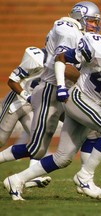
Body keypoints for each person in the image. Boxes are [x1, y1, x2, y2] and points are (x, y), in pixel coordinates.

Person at [3, 20, 101, 201]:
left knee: (62, 158)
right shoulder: (98, 45)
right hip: (78, 98)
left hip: (92, 102)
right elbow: (60, 58)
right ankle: (84, 177)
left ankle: (16, 179)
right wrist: (62, 87)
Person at [0, 0, 101, 178]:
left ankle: (86, 177)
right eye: (91, 20)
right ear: (80, 17)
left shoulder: (77, 35)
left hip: (56, 94)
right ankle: (22, 178)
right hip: (38, 95)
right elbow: (59, 62)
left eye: (96, 21)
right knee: (30, 147)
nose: (94, 25)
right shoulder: (66, 32)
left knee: (92, 129)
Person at [0, 46, 52, 188]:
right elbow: (12, 81)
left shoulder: (61, 62)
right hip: (16, 103)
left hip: (31, 106)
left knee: (38, 142)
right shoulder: (37, 57)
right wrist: (27, 96)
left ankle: (29, 176)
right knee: (1, 139)